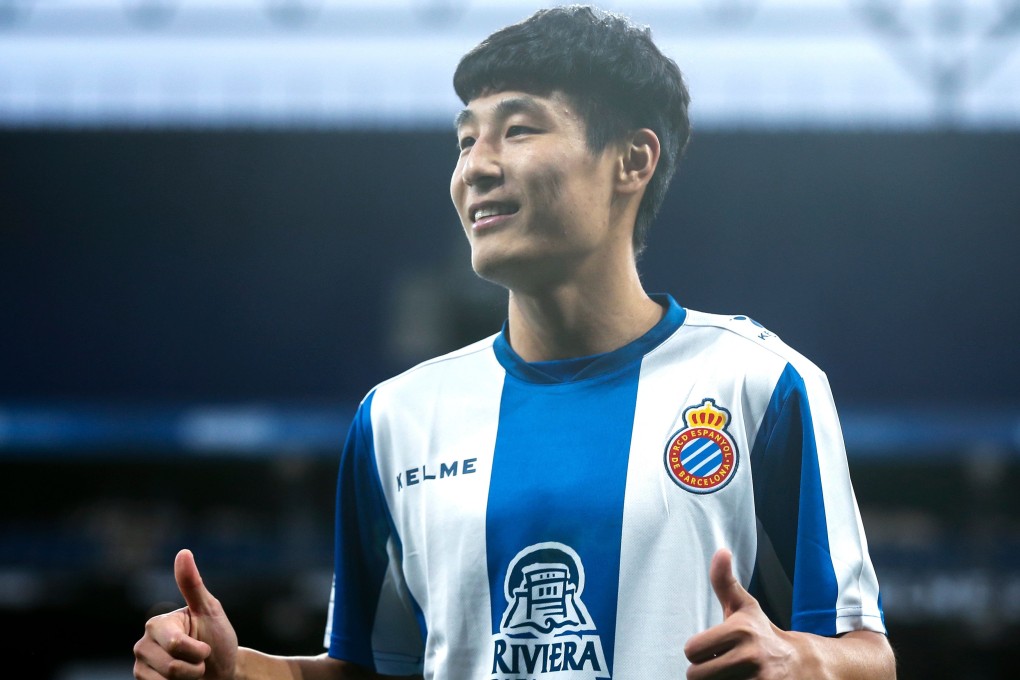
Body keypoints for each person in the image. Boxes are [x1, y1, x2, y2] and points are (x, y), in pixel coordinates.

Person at [132, 5, 896, 680]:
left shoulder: (759, 386)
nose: (477, 168)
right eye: (465, 142)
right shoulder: (397, 418)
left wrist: (807, 661)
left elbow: (868, 653)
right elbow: (378, 667)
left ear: (633, 159)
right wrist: (238, 674)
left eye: (519, 129)